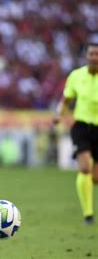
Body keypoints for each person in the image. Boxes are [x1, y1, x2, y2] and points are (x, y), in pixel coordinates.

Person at [54, 41, 98, 226]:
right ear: (85, 56)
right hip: (81, 126)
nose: (94, 58)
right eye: (91, 54)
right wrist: (59, 115)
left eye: (97, 54)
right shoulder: (76, 76)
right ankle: (88, 214)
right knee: (84, 168)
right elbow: (66, 100)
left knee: (94, 177)